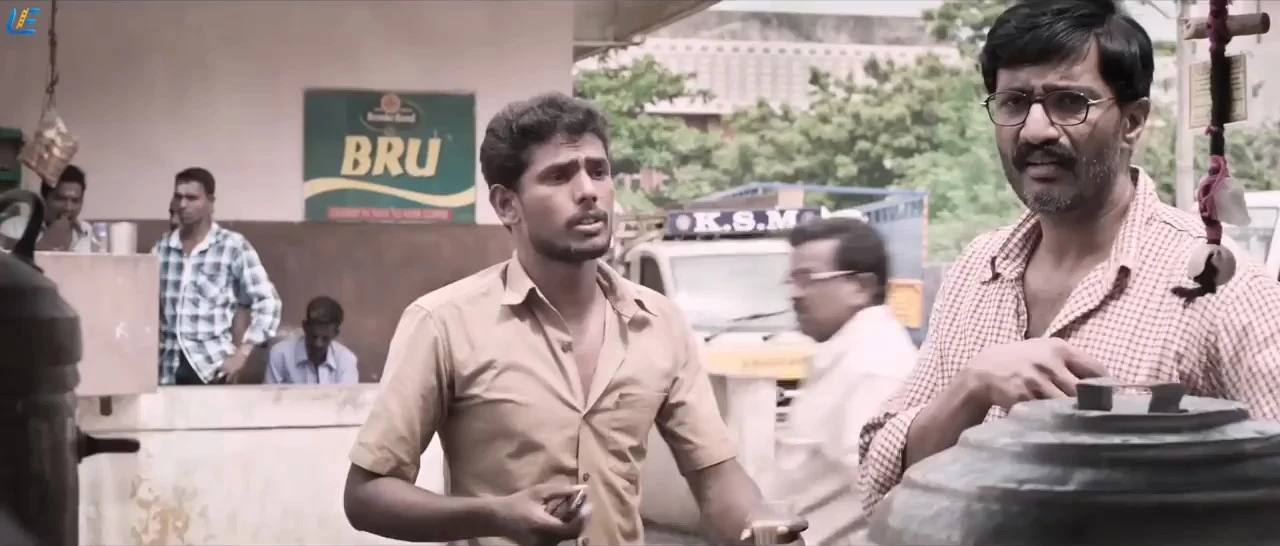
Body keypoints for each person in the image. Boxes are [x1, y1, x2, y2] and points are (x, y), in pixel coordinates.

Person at [857, 0, 1280, 513]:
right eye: (1014, 102)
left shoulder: (1217, 286)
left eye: (1069, 103)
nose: (1035, 130)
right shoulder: (978, 270)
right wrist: (972, 387)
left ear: (1132, 122)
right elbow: (882, 475)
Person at [343, 93, 806, 546]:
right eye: (559, 175)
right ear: (507, 205)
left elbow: (716, 476)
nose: (588, 191)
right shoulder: (443, 323)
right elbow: (366, 496)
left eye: (598, 171)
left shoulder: (659, 322)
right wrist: (495, 516)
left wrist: (759, 525)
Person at [771, 217, 917, 544]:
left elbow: (886, 497)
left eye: (807, 279)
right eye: (791, 280)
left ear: (861, 287)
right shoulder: (848, 353)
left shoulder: (873, 367)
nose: (794, 294)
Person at [152, 167, 282, 385]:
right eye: (178, 197)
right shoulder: (163, 248)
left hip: (212, 370)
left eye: (192, 198)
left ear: (210, 202)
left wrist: (243, 353)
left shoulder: (232, 246)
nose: (182, 204)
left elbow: (269, 302)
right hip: (167, 371)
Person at [0, 165, 102, 253]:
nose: (68, 208)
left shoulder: (86, 231)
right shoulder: (13, 228)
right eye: (60, 199)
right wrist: (46, 244)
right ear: (44, 199)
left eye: (75, 201)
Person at [266, 296, 359, 385]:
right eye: (313, 337)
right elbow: (267, 395)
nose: (318, 344)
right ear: (305, 327)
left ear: (335, 333)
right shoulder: (280, 355)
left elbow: (347, 396)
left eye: (325, 338)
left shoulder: (346, 360)